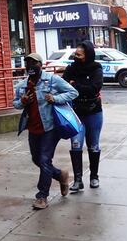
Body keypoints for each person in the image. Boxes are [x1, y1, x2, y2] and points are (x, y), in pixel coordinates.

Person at [13, 53, 78, 209]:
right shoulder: (22, 85)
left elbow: (73, 92)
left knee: (44, 160)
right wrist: (22, 102)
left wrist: (55, 99)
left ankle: (42, 196)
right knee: (37, 159)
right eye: (28, 63)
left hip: (50, 128)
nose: (30, 66)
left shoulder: (52, 80)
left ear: (40, 65)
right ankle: (60, 175)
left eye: (34, 63)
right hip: (33, 128)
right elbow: (15, 104)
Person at [62, 40, 104, 191]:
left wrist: (75, 85)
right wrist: (77, 87)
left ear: (88, 54)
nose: (77, 57)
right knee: (75, 145)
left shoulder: (96, 69)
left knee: (93, 145)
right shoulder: (71, 68)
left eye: (80, 55)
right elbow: (63, 84)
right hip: (76, 112)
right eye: (76, 54)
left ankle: (94, 176)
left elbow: (94, 88)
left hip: (93, 112)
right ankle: (78, 180)